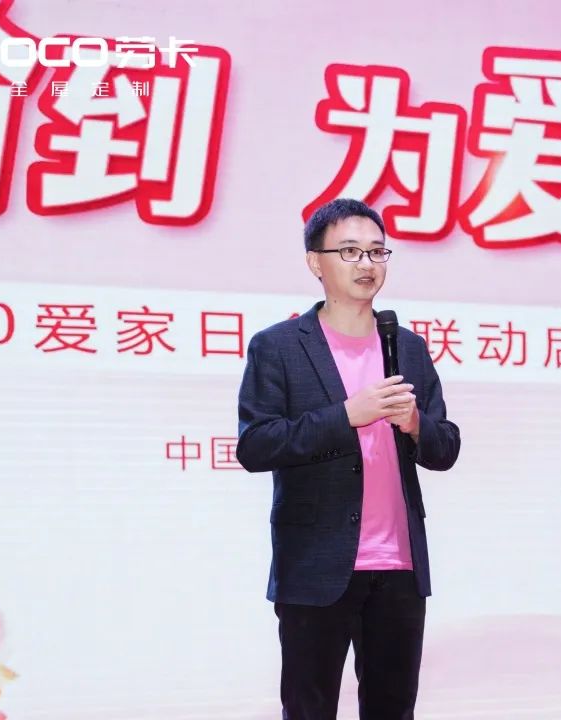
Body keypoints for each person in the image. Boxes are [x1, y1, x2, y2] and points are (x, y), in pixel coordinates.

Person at [236, 198, 461, 720]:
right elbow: (256, 445)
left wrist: (416, 424)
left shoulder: (408, 347)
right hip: (316, 566)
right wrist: (347, 415)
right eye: (350, 251)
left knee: (392, 710)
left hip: (399, 568)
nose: (367, 263)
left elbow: (446, 447)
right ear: (315, 262)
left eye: (377, 252)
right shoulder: (278, 347)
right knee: (309, 709)